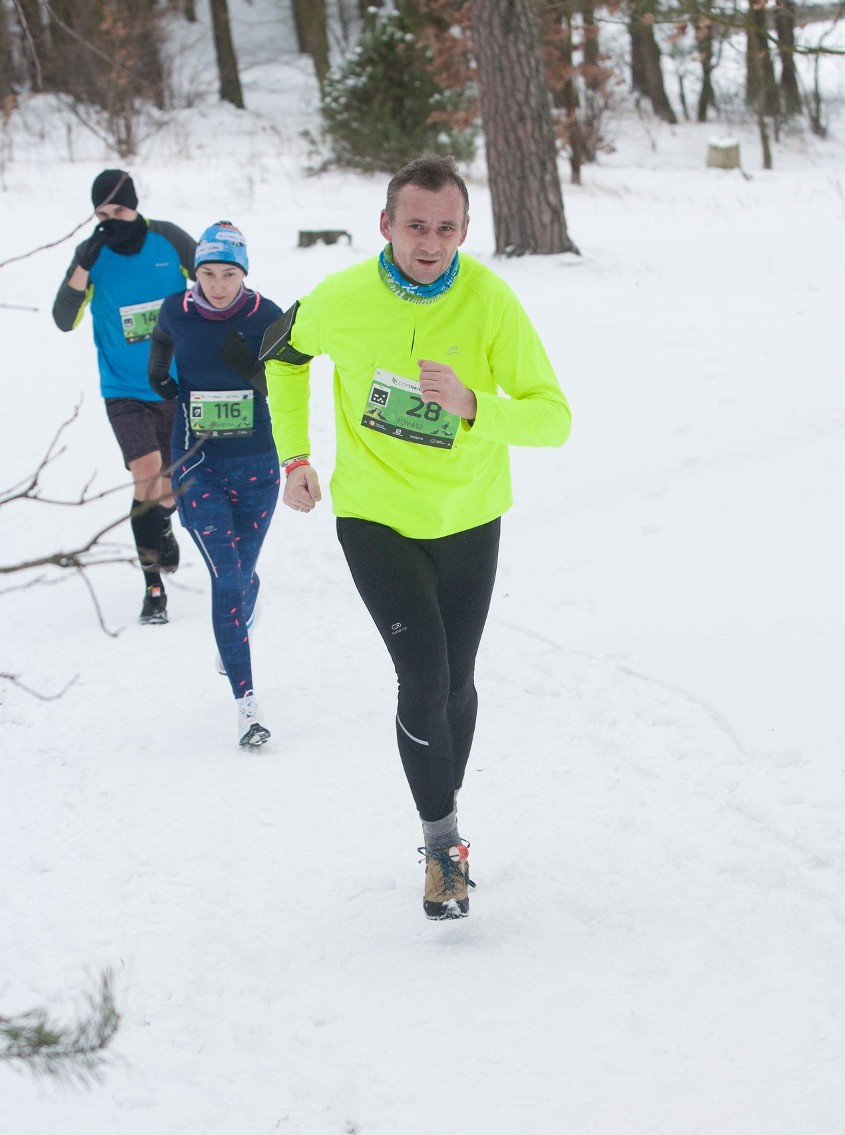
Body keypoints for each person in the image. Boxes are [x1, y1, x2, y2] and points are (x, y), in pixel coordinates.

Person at [262, 154, 571, 919]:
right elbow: (281, 356)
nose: (429, 243)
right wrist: (294, 456)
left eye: (445, 228)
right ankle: (443, 844)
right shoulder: (343, 298)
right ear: (385, 225)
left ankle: (439, 799)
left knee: (457, 684)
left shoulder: (490, 303)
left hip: (469, 517)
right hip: (375, 519)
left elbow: (553, 417)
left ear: (464, 230)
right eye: (414, 226)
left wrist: (475, 405)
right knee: (425, 679)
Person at [148, 221, 283, 748]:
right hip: (196, 462)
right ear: (194, 272)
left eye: (229, 274)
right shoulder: (176, 309)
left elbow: (293, 377)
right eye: (208, 273)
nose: (219, 284)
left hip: (257, 465)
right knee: (226, 577)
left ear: (244, 273)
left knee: (241, 576)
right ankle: (248, 707)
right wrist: (160, 370)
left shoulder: (267, 315)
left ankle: (248, 598)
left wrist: (252, 371)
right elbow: (162, 337)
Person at [52, 169, 196, 624]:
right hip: (124, 391)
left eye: (119, 210)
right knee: (147, 478)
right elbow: (63, 317)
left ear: (136, 206)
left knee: (168, 491)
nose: (111, 220)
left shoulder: (168, 240)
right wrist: (83, 265)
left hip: (175, 384)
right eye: (101, 213)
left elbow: (216, 282)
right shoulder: (91, 256)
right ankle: (153, 587)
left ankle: (165, 519)